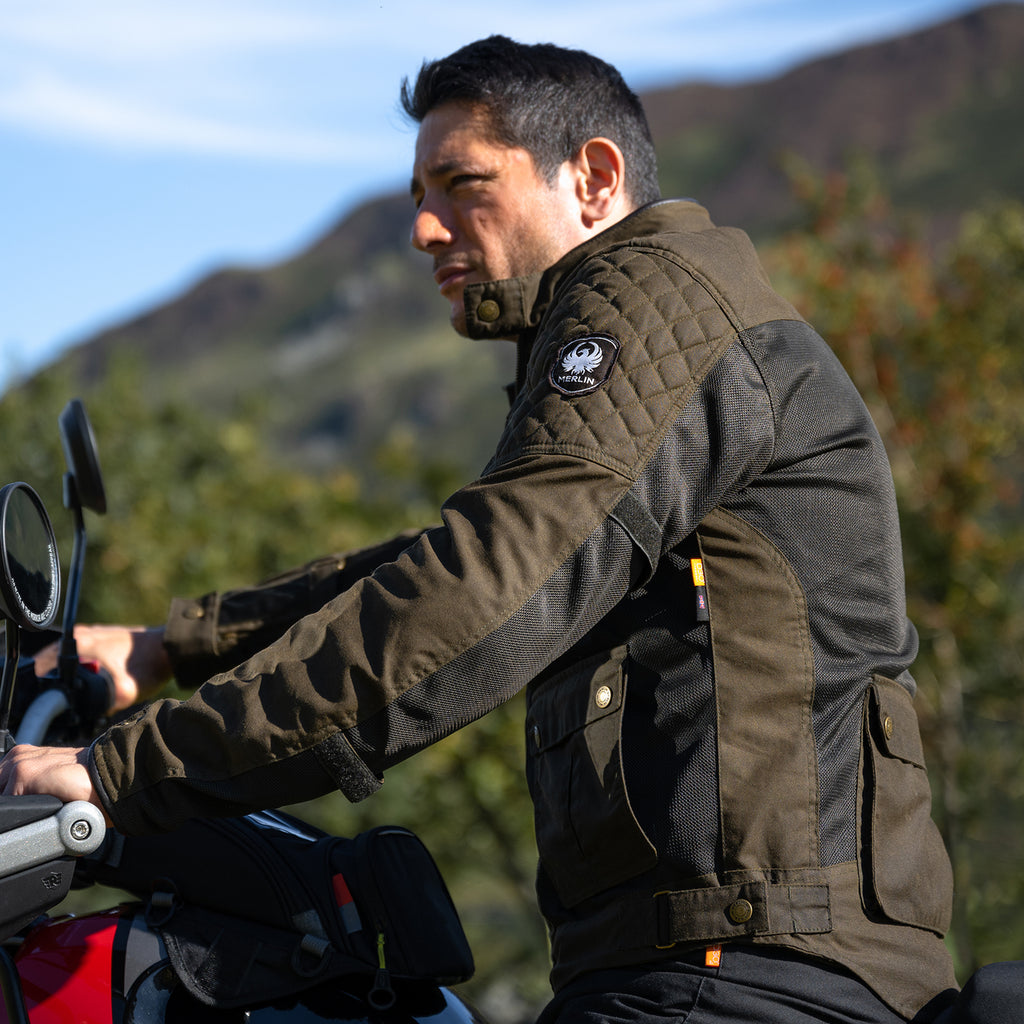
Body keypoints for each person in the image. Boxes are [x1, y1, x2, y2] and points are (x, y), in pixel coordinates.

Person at [1, 36, 960, 1023]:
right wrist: (172, 644)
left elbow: (478, 592)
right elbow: (450, 560)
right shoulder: (638, 326)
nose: (425, 227)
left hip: (753, 978)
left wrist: (120, 773)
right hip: (693, 964)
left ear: (593, 179)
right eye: (420, 194)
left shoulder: (660, 299)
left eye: (462, 185)